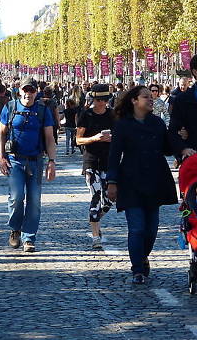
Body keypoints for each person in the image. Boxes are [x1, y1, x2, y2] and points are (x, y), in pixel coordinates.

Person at [106, 86, 177, 284]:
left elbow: (167, 149)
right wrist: (112, 181)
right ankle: (137, 268)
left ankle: (143, 256)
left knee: (152, 229)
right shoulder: (122, 125)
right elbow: (114, 155)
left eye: (151, 96)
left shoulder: (157, 123)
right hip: (131, 180)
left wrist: (180, 138)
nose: (151, 99)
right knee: (137, 228)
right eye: (145, 96)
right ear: (134, 101)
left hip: (155, 178)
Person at [0, 77, 57, 253]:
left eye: (32, 90)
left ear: (36, 92)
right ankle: (15, 228)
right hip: (15, 160)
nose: (28, 93)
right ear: (19, 91)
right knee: (16, 197)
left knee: (34, 201)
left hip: (36, 161)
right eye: (25, 89)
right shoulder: (10, 107)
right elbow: (1, 133)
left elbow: (49, 137)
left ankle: (29, 237)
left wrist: (52, 162)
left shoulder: (42, 110)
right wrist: (1, 157)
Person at [76, 84, 115, 250]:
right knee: (96, 195)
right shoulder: (86, 115)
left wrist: (113, 138)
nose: (101, 103)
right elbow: (78, 140)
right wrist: (95, 138)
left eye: (104, 100)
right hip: (91, 162)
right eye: (99, 100)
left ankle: (95, 220)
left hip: (108, 161)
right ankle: (95, 236)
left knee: (109, 200)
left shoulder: (113, 115)